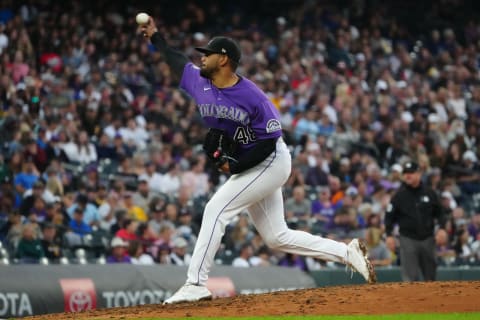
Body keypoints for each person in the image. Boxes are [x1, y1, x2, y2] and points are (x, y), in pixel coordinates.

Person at [139, 16, 376, 304]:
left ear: (224, 60)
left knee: (216, 209)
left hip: (271, 160)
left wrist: (235, 167)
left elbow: (268, 141)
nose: (202, 59)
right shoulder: (199, 82)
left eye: (208, 54)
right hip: (253, 163)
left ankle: (195, 283)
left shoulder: (253, 97)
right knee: (277, 237)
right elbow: (176, 61)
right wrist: (155, 36)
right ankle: (346, 253)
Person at [385, 161, 447, 281]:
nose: (408, 175)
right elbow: (389, 217)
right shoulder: (398, 196)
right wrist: (389, 235)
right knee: (410, 279)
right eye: (406, 173)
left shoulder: (429, 193)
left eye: (411, 172)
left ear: (419, 174)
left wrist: (442, 229)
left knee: (430, 277)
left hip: (428, 238)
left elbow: (440, 213)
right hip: (408, 239)